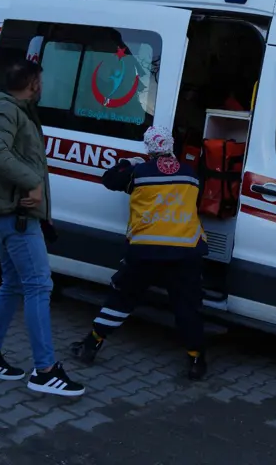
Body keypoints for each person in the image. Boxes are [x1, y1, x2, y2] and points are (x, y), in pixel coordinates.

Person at [0, 58, 85, 397]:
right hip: (14, 214)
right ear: (33, 83)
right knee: (39, 285)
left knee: (14, 284)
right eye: (41, 81)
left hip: (12, 212)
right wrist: (32, 182)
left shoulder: (14, 109)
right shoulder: (5, 110)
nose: (43, 87)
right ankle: (45, 370)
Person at [71, 126, 209, 380]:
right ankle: (196, 360)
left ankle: (91, 345)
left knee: (121, 299)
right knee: (187, 307)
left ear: (148, 148)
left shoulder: (138, 173)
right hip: (185, 251)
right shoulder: (191, 174)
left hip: (147, 251)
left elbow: (109, 179)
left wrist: (128, 162)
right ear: (171, 146)